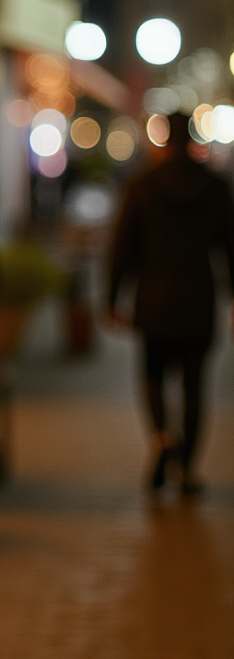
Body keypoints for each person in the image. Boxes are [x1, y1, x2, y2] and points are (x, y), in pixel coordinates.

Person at [108, 112, 234, 494]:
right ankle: (187, 469)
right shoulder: (214, 188)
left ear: (164, 141)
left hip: (154, 299)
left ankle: (162, 438)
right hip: (198, 300)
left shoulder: (142, 186)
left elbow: (122, 247)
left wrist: (111, 298)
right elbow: (230, 247)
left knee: (152, 376)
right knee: (195, 386)